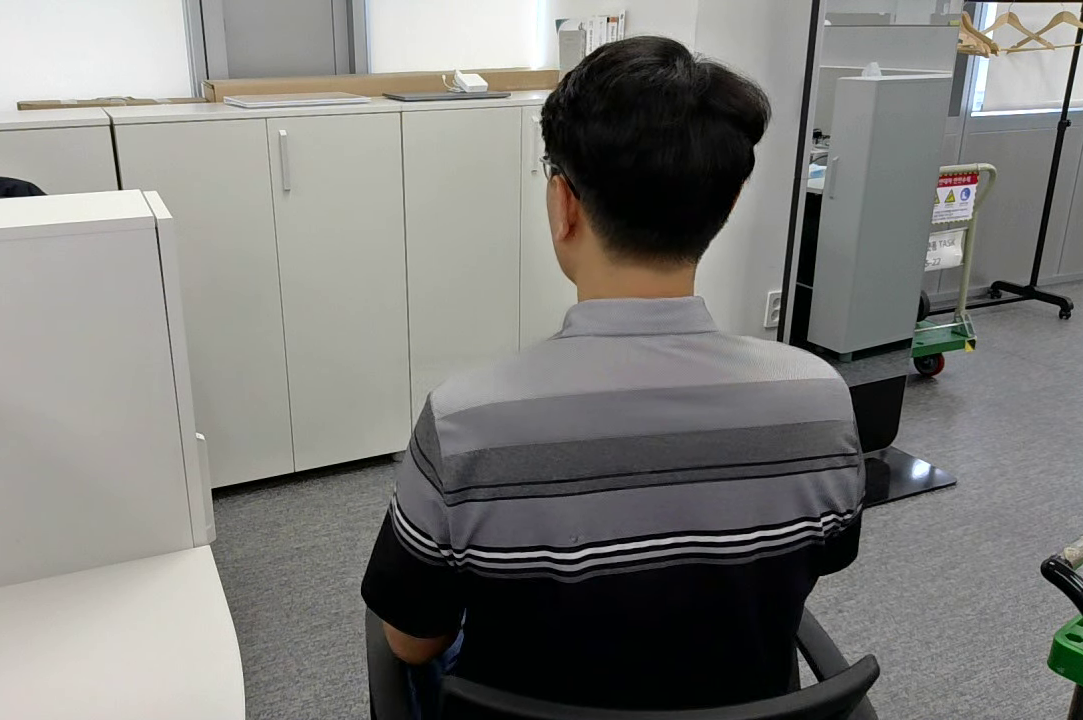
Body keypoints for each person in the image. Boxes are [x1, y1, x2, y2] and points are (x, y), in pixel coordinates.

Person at [361, 35, 865, 717]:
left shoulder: (465, 426)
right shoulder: (820, 402)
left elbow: (414, 641)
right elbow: (813, 565)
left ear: (564, 205)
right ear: (729, 201)